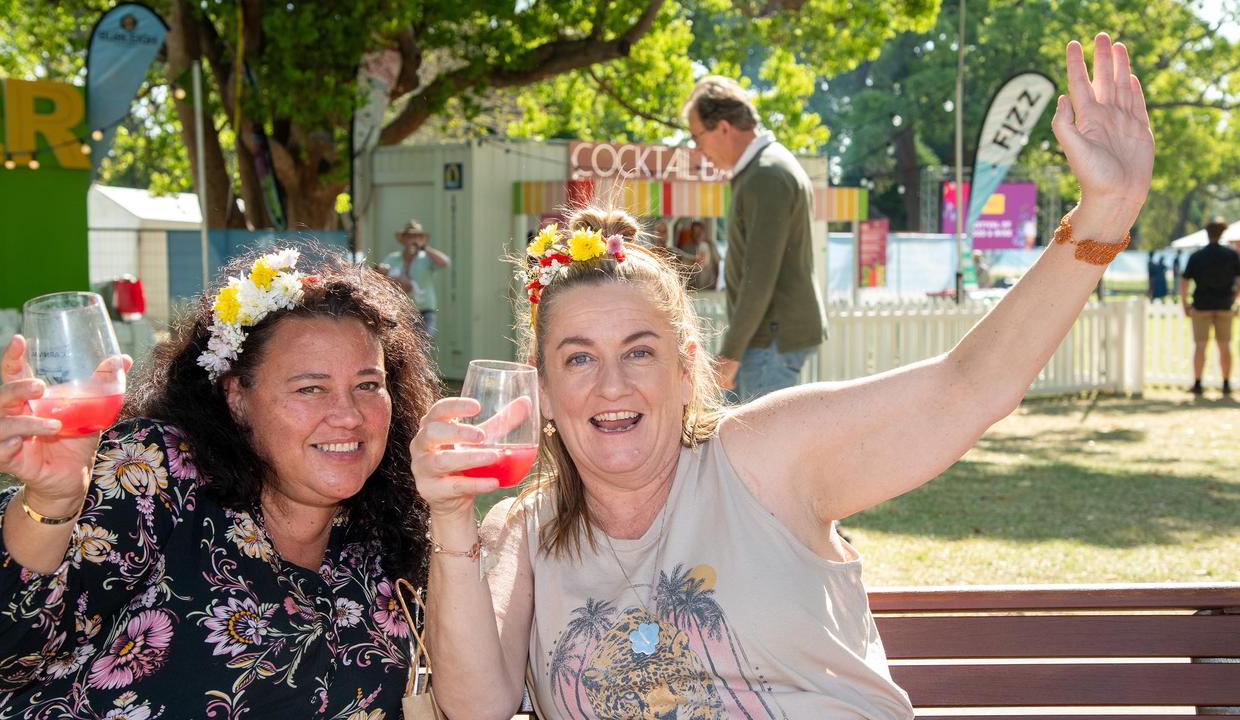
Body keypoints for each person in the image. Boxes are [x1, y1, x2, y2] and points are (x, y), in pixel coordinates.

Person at [413, 34, 1153, 719]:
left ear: (686, 368)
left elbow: (969, 388)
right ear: (539, 389)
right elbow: (476, 707)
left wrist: (1105, 212)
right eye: (578, 358)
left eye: (640, 351)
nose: (612, 385)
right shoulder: (524, 531)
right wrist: (450, 520)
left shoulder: (764, 456)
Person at [0, 249, 438, 717]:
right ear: (236, 397)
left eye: (368, 385)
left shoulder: (392, 537)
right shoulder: (159, 474)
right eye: (310, 388)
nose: (349, 416)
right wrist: (53, 502)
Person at [683, 75, 828, 403]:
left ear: (723, 127)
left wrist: (730, 354)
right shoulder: (763, 169)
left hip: (769, 340)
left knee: (765, 449)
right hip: (767, 338)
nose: (697, 150)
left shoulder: (766, 175)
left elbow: (760, 275)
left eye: (696, 137)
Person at [1181, 216, 1239, 395]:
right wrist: (1236, 300)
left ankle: (1198, 384)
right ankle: (1226, 383)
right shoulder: (1231, 255)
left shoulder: (1197, 256)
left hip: (1201, 305)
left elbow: (1184, 282)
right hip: (1224, 305)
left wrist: (1185, 303)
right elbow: (1239, 282)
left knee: (1200, 345)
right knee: (1225, 345)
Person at [383, 219, 451, 341]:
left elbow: (445, 262)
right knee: (401, 347)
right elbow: (378, 272)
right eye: (409, 237)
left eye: (417, 236)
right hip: (401, 312)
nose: (413, 240)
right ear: (403, 239)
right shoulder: (392, 258)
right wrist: (390, 274)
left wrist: (424, 248)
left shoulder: (425, 258)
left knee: (422, 348)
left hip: (424, 313)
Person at [671, 220, 719, 291]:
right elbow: (682, 268)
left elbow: (716, 264)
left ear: (704, 232)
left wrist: (716, 282)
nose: (698, 234)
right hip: (692, 287)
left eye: (700, 231)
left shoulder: (711, 246)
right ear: (692, 233)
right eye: (695, 232)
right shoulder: (686, 247)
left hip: (708, 285)